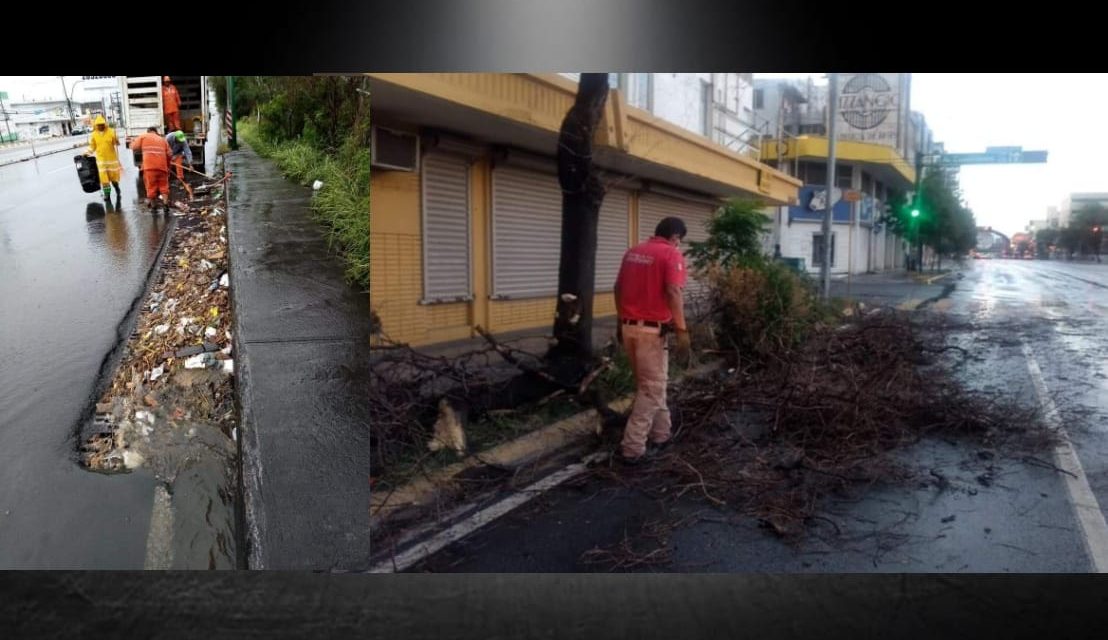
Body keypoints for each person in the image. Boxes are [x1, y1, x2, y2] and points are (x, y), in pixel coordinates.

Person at [612, 216, 693, 465]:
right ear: (675, 237)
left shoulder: (633, 252)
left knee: (653, 384)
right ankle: (633, 447)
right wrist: (682, 331)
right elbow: (672, 291)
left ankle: (661, 434)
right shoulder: (670, 254)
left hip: (629, 328)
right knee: (652, 387)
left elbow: (617, 288)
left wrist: (619, 321)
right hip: (651, 333)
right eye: (679, 241)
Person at [130, 126, 172, 212]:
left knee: (151, 187)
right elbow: (169, 154)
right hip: (162, 167)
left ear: (148, 131)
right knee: (164, 187)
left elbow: (133, 147)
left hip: (149, 168)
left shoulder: (144, 136)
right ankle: (165, 204)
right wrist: (168, 166)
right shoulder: (163, 140)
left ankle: (153, 207)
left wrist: (133, 142)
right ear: (156, 132)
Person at [85, 115, 122, 202]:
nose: (101, 126)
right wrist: (87, 153)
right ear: (96, 125)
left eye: (102, 124)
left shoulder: (111, 132)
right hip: (101, 162)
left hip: (111, 160)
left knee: (113, 180)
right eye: (99, 125)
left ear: (105, 124)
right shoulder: (94, 135)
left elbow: (116, 143)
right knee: (104, 181)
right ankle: (107, 195)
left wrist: (116, 138)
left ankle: (117, 188)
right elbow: (92, 146)